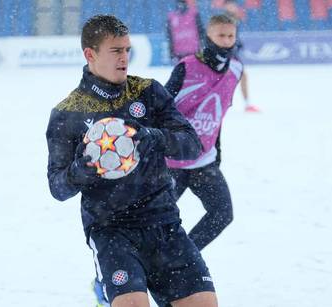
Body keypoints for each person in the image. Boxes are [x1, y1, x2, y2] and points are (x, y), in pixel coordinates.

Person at [46, 14, 218, 307]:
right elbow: (58, 188)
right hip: (111, 230)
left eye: (126, 49)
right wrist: (79, 172)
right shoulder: (67, 113)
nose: (124, 57)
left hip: (164, 223)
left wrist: (154, 137)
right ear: (90, 54)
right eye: (115, 50)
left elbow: (192, 145)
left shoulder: (148, 92)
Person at [163, 14, 242, 252]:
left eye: (231, 36)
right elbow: (161, 108)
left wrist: (217, 149)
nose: (226, 41)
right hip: (171, 163)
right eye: (221, 35)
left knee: (222, 213)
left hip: (204, 161)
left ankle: (181, 258)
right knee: (149, 223)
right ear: (207, 36)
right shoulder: (186, 67)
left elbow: (218, 112)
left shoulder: (236, 70)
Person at [221, 0, 260, 113]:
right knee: (224, 79)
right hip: (226, 54)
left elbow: (232, 36)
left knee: (238, 77)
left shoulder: (234, 18)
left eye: (234, 5)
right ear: (226, 6)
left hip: (231, 54)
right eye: (231, 4)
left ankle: (246, 104)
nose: (233, 7)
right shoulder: (224, 19)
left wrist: (237, 43)